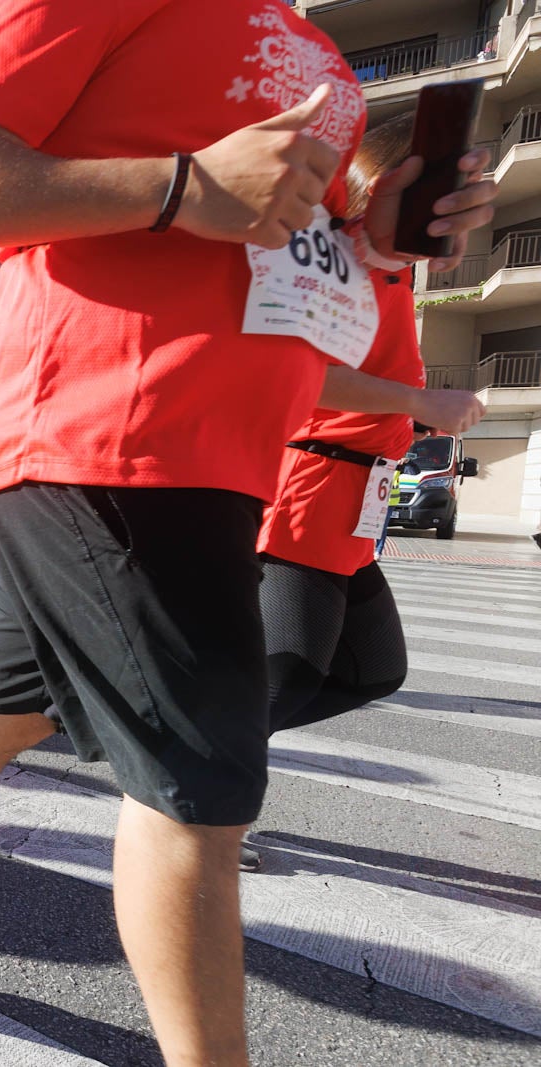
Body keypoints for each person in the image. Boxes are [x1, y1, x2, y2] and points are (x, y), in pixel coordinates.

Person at [0, 4, 494, 1063]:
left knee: (5, 703)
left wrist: (374, 239)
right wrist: (180, 186)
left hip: (227, 455)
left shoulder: (313, 52)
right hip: (105, 427)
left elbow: (278, 258)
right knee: (199, 792)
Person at [248, 115, 489, 869]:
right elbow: (295, 371)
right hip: (310, 482)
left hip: (359, 496)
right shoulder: (329, 256)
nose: (457, 213)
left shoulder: (394, 268)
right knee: (285, 674)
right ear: (383, 189)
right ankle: (195, 797)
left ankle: (200, 764)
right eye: (443, 198)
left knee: (374, 671)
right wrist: (416, 404)